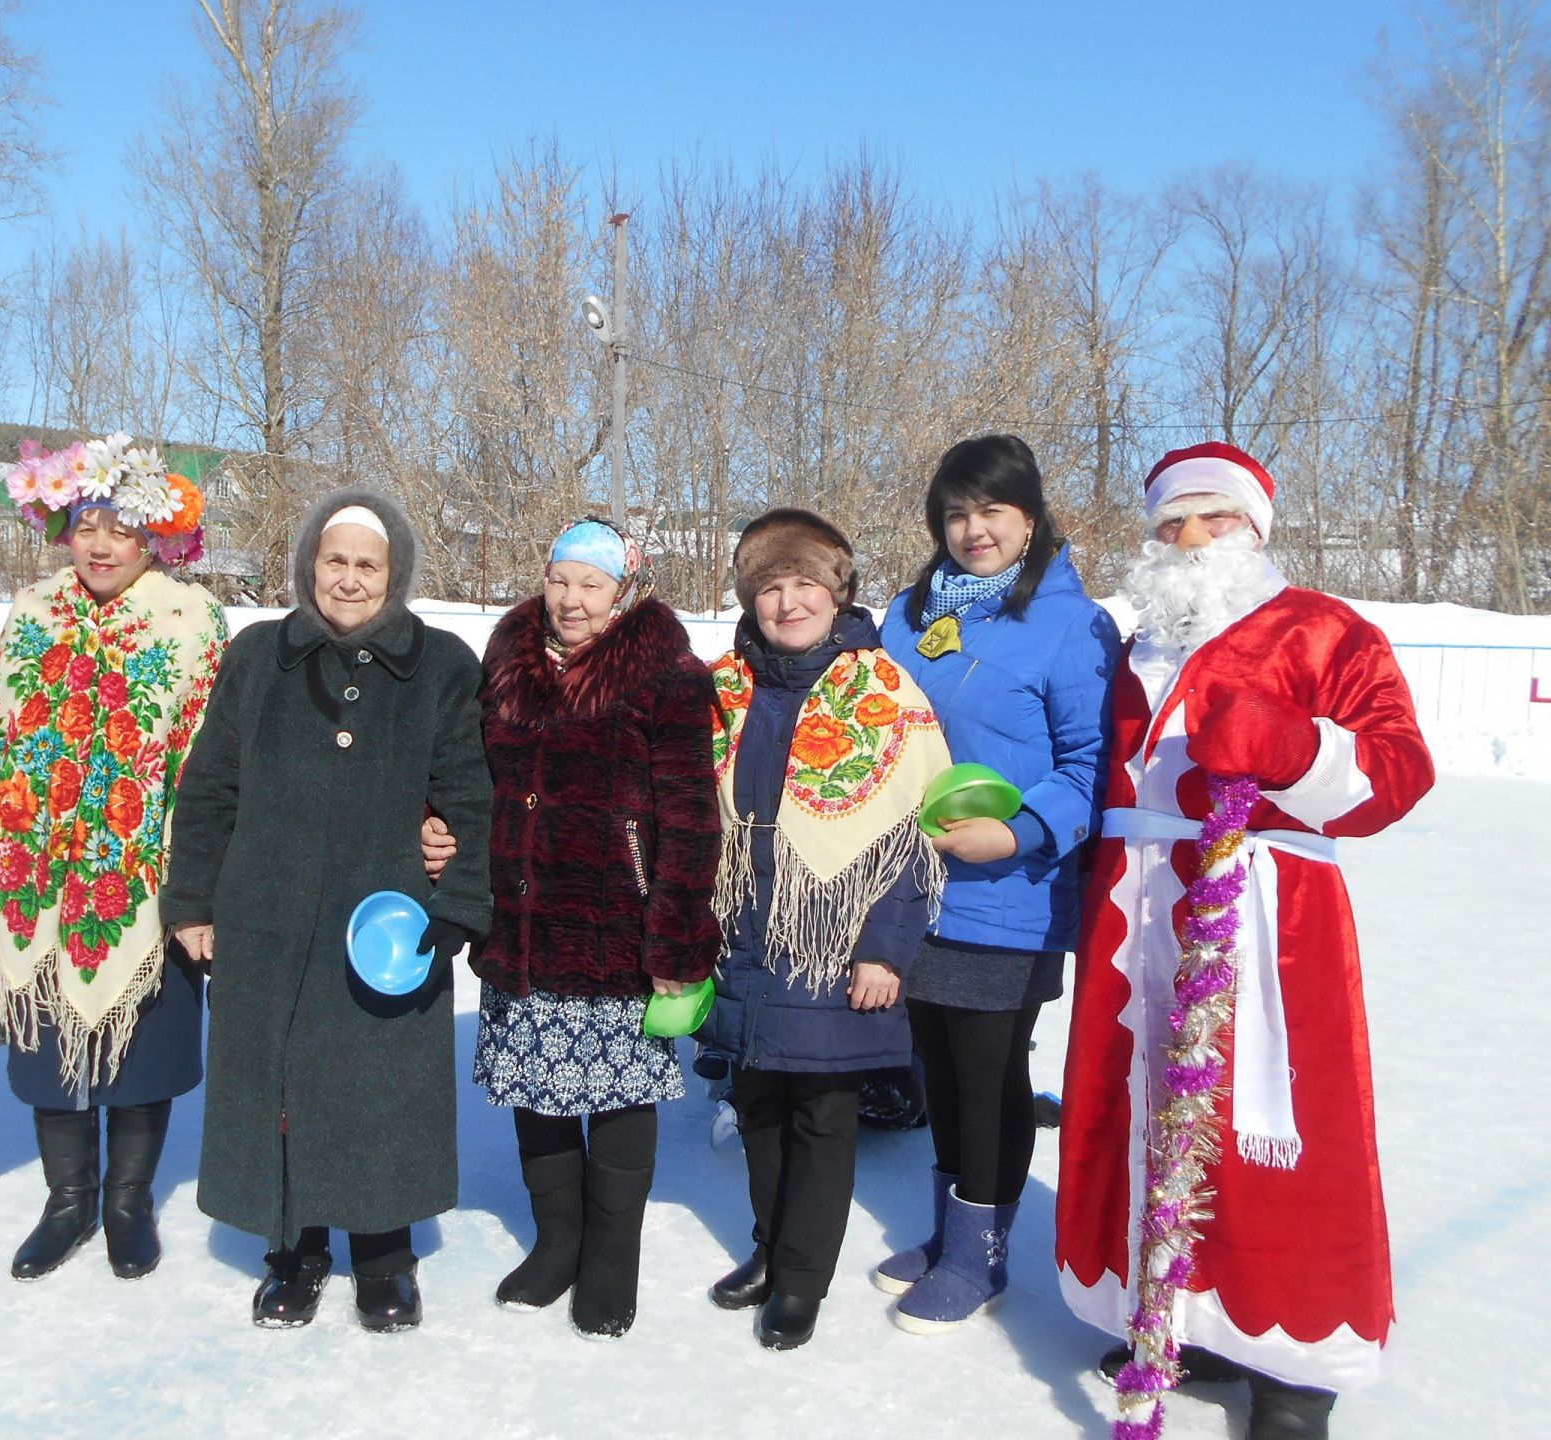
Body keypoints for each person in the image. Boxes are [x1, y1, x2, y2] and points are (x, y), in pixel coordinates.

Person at [1055, 443, 1435, 1440]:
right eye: (1170, 523)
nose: (1187, 539)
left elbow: (1398, 772)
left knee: (1276, 1142)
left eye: (1211, 519)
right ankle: (1181, 1319)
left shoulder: (1324, 631)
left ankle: (1294, 1373)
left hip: (1268, 930)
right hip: (1136, 922)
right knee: (1141, 1119)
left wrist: (1295, 748)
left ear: (1255, 528)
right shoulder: (1140, 646)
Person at [160, 488, 494, 1333]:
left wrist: (453, 901)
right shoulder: (259, 655)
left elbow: (467, 794)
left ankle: (385, 1257)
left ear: (397, 574)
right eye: (334, 561)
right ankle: (295, 1251)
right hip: (265, 910)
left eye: (367, 565)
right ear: (310, 564)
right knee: (279, 1080)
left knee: (380, 1085)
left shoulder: (445, 665)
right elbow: (210, 787)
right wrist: (193, 898)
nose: (349, 580)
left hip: (385, 922)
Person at [0, 433, 224, 1282]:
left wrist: (200, 873)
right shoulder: (33, 609)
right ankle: (67, 1200)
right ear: (64, 528)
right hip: (43, 868)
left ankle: (127, 1201)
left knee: (141, 1046)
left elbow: (207, 748)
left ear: (155, 538)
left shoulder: (189, 617)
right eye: (86, 524)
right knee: (48, 1045)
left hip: (145, 869)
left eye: (122, 528)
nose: (102, 544)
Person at [872, 434, 1119, 1333]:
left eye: (992, 512)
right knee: (936, 1061)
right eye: (956, 513)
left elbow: (1094, 766)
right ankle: (950, 1232)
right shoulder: (908, 611)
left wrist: (1015, 831)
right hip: (913, 887)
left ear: (1031, 518)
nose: (973, 531)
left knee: (989, 1071)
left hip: (1010, 890)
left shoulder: (1072, 625)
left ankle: (983, 1255)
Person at [455, 517, 720, 1339]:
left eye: (591, 585)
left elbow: (689, 815)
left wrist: (676, 933)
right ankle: (558, 1242)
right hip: (525, 921)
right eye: (561, 579)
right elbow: (473, 776)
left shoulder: (666, 675)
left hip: (619, 927)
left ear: (623, 592)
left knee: (619, 1097)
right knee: (538, 1094)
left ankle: (612, 1257)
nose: (572, 600)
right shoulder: (508, 658)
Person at [700, 508, 952, 1350]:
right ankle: (768, 1251)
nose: (788, 601)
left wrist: (887, 948)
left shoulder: (883, 690)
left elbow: (919, 830)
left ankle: (802, 1280)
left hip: (836, 939)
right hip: (745, 934)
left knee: (823, 1114)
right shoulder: (724, 686)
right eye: (769, 586)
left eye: (804, 582)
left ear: (836, 588)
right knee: (759, 1104)